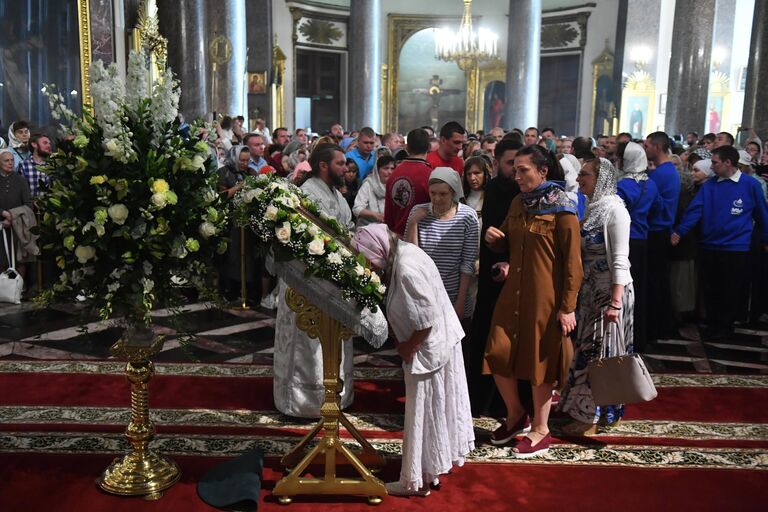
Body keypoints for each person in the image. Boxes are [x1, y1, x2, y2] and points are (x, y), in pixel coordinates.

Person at [352, 224, 474, 497]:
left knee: (422, 412)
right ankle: (430, 469)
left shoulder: (405, 267)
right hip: (437, 342)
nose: (368, 266)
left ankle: (413, 481)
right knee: (434, 411)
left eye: (368, 259)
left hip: (428, 346)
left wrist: (409, 346)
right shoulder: (404, 251)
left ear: (379, 250)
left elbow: (426, 318)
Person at [483, 144, 582, 456]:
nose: (517, 175)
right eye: (515, 169)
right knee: (497, 352)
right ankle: (515, 415)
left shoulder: (563, 207)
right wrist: (496, 243)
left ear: (543, 171)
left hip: (545, 298)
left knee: (540, 361)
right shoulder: (518, 202)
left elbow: (572, 263)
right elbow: (511, 243)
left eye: (523, 170)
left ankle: (541, 428)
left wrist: (567, 307)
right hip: (512, 293)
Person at [273, 144, 356, 417]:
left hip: (335, 280)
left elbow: (347, 228)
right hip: (308, 282)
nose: (346, 168)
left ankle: (334, 394)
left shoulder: (336, 194)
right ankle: (304, 401)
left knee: (331, 339)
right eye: (341, 163)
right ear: (323, 165)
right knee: (308, 343)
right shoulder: (307, 194)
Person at [558, 158, 634, 433]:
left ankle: (592, 417)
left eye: (586, 175)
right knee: (590, 351)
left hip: (610, 294)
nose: (580, 180)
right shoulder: (594, 208)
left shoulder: (615, 211)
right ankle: (585, 412)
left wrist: (615, 303)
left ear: (601, 178)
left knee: (602, 355)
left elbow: (620, 261)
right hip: (592, 292)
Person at [671, 145, 768, 340]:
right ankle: (713, 323)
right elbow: (695, 210)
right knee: (710, 288)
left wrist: (766, 238)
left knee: (730, 288)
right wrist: (680, 231)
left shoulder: (750, 185)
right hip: (709, 245)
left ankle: (725, 326)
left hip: (735, 247)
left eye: (715, 163)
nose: (712, 166)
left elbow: (762, 214)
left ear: (728, 163)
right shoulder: (710, 185)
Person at [468, 138, 522, 418]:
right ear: (498, 162)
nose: (515, 170)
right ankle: (481, 400)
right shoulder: (491, 189)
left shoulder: (526, 191)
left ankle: (510, 405)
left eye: (519, 164)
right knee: (487, 334)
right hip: (492, 274)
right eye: (510, 163)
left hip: (521, 273)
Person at [404, 168, 480, 327]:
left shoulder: (467, 216)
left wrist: (460, 302)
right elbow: (411, 257)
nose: (437, 199)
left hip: (454, 295)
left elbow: (467, 264)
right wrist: (413, 223)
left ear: (453, 192)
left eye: (443, 194)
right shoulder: (418, 212)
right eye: (433, 193)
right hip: (424, 295)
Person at [615, 141, 661, 351]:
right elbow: (658, 207)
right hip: (642, 240)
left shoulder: (622, 185)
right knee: (638, 290)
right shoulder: (650, 184)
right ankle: (639, 336)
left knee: (620, 288)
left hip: (624, 240)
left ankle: (621, 338)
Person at [644, 131, 680, 343]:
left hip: (657, 231)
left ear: (657, 147)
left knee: (656, 281)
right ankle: (662, 324)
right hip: (660, 230)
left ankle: (658, 326)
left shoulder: (662, 174)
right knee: (658, 280)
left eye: (647, 145)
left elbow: (653, 203)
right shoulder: (664, 171)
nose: (645, 149)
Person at [384, 128, 433, 236]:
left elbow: (388, 214)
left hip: (396, 236)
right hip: (422, 238)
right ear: (429, 147)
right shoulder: (430, 175)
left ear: (407, 147)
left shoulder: (394, 174)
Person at [0, 149, 33, 278]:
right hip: (0, 225)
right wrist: (3, 213)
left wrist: (12, 216)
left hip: (18, 225)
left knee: (20, 259)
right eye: (6, 160)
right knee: (1, 257)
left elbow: (28, 204)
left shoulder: (20, 180)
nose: (10, 163)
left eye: (12, 160)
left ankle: (18, 290)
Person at [353, 155, 394, 227]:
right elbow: (357, 208)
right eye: (386, 168)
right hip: (368, 227)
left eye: (392, 168)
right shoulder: (368, 184)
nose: (390, 172)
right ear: (377, 170)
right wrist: (374, 215)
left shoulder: (395, 186)